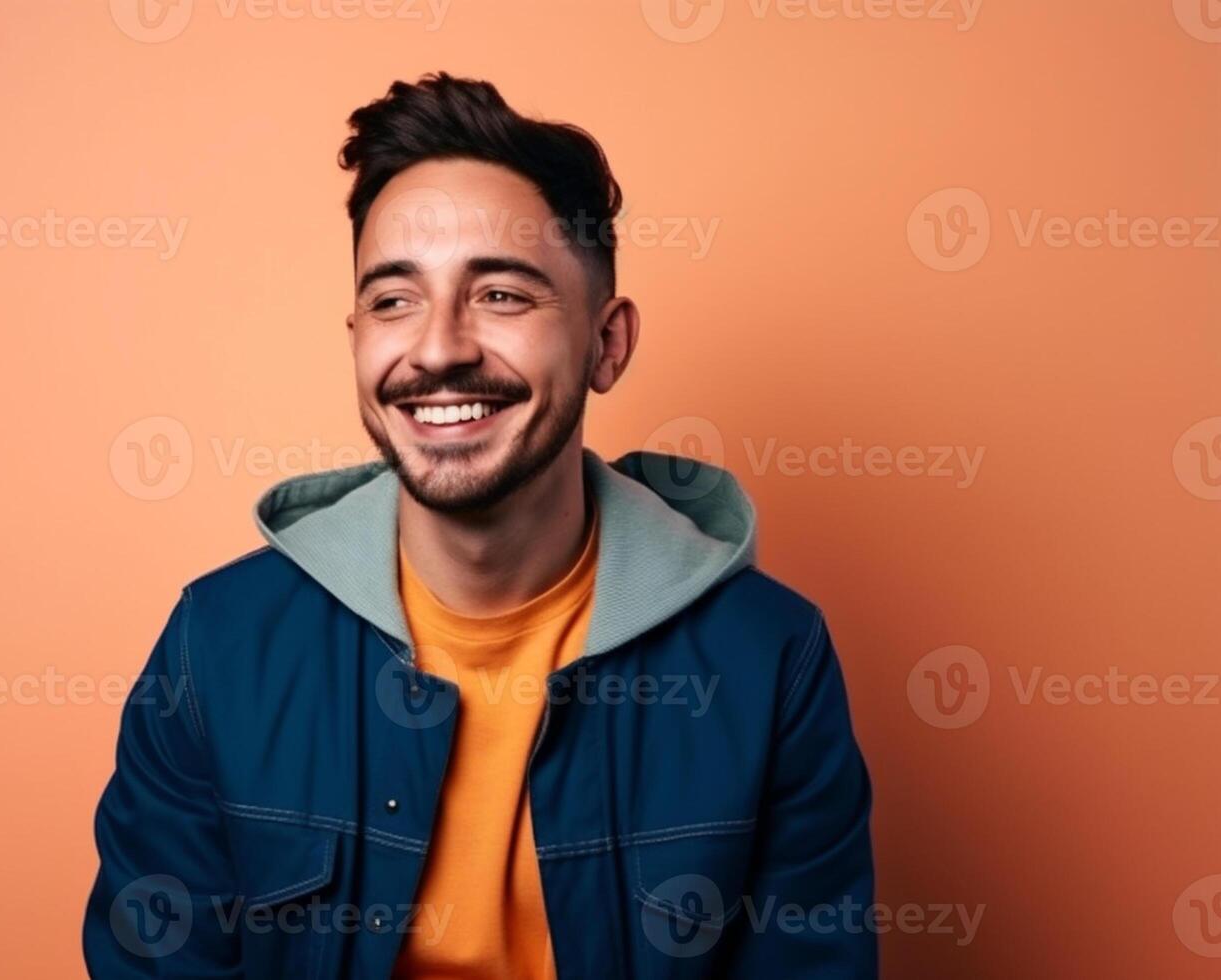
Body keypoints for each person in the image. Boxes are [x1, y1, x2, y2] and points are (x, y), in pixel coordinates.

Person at [83, 71, 875, 979]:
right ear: (355, 337)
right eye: (393, 299)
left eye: (500, 295)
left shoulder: (770, 659)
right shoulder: (215, 647)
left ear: (606, 344)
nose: (438, 346)